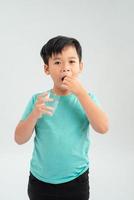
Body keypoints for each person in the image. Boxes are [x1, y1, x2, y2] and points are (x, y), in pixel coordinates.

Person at [14, 35, 109, 200]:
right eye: (57, 62)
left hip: (76, 181)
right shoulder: (39, 101)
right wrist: (35, 114)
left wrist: (81, 93)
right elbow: (19, 139)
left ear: (80, 66)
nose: (65, 68)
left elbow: (103, 127)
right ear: (46, 69)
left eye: (71, 62)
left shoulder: (87, 98)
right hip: (40, 181)